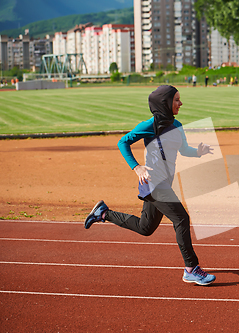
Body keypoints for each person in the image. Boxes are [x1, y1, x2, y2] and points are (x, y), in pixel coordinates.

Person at [84, 85, 216, 286]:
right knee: (181, 218)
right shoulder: (149, 125)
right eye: (177, 100)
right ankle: (191, 269)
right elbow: (123, 142)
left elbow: (184, 150)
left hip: (165, 182)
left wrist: (198, 152)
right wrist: (137, 167)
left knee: (145, 228)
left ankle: (103, 213)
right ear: (164, 103)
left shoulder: (177, 125)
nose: (181, 103)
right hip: (154, 183)